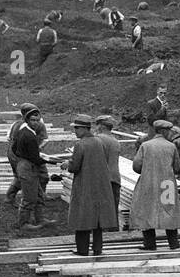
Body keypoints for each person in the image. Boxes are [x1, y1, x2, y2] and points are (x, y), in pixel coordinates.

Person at [65, 114, 118, 256]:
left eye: (76, 128)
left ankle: (82, 250)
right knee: (98, 219)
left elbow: (75, 167)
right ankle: (97, 249)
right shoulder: (99, 142)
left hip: (84, 185)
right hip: (100, 185)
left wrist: (67, 164)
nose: (75, 131)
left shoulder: (80, 144)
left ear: (84, 128)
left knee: (82, 217)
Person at [130, 119, 180, 250]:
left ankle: (149, 243)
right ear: (164, 131)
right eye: (170, 131)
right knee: (169, 210)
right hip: (167, 185)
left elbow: (136, 166)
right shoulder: (171, 146)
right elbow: (177, 167)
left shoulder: (145, 146)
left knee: (146, 211)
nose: (171, 133)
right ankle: (173, 243)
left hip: (148, 184)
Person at [12, 106, 55, 231]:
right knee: (29, 196)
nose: (35, 123)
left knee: (38, 194)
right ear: (27, 120)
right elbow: (35, 158)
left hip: (26, 163)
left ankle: (40, 219)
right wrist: (51, 161)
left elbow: (15, 148)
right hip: (28, 167)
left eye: (37, 120)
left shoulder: (25, 131)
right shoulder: (29, 135)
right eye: (32, 120)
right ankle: (23, 223)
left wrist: (23, 155)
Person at [5, 103, 48, 207]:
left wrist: (37, 149)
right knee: (28, 176)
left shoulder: (18, 124)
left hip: (20, 152)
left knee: (39, 176)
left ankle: (39, 196)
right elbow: (13, 141)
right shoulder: (21, 126)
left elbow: (45, 139)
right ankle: (33, 198)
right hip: (22, 154)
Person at [93, 115, 124, 219]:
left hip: (102, 180)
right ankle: (114, 234)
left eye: (97, 125)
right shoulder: (115, 141)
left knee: (99, 215)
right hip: (115, 179)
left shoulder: (98, 139)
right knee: (112, 213)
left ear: (101, 126)